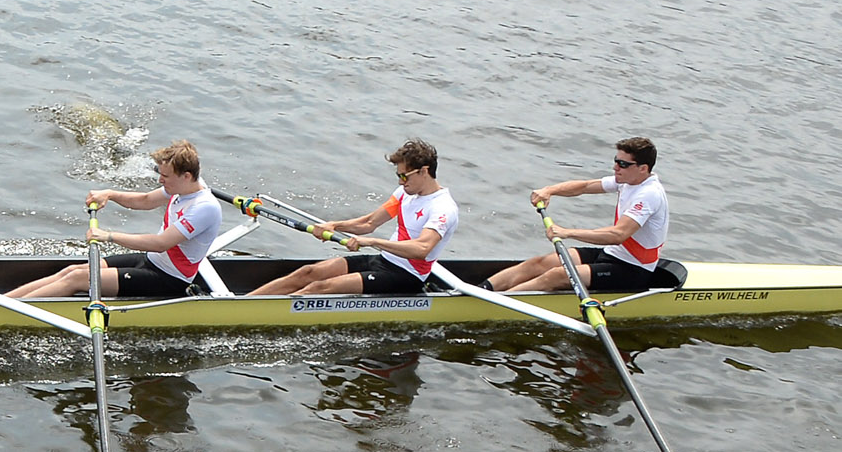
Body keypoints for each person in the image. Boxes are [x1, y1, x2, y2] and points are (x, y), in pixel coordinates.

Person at [5, 142, 225, 300]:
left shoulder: (204, 208)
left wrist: (108, 236)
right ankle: (0, 302)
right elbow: (146, 200)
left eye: (165, 177)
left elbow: (161, 243)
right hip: (150, 261)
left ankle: (10, 311)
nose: (160, 180)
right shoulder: (183, 186)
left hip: (168, 279)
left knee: (78, 280)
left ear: (186, 176)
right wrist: (109, 194)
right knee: (71, 271)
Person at [249, 139, 457, 298]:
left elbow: (422, 250)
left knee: (318, 288)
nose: (401, 182)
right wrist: (333, 225)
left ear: (424, 171)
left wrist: (372, 242)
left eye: (404, 176)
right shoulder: (404, 193)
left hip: (407, 276)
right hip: (383, 261)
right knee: (307, 273)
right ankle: (241, 304)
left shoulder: (442, 207)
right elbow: (368, 223)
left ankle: (263, 314)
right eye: (398, 176)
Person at [487, 137, 670, 293]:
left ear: (643, 168)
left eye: (622, 164)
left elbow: (618, 235)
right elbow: (584, 186)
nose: (615, 167)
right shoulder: (627, 180)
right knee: (540, 263)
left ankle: (493, 304)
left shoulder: (649, 194)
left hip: (633, 269)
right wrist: (549, 190)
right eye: (616, 161)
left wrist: (567, 232)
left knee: (557, 275)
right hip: (611, 254)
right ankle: (482, 289)